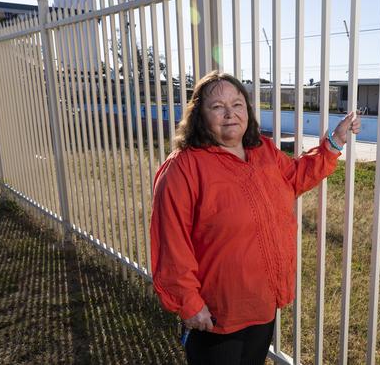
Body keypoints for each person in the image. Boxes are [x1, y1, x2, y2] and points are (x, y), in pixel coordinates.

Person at [150, 71, 361, 364]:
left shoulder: (262, 151)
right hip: (216, 313)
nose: (229, 114)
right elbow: (171, 242)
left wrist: (334, 142)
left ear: (247, 110)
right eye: (217, 106)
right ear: (199, 115)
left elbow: (295, 177)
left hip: (262, 303)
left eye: (237, 104)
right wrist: (189, 303)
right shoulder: (183, 168)